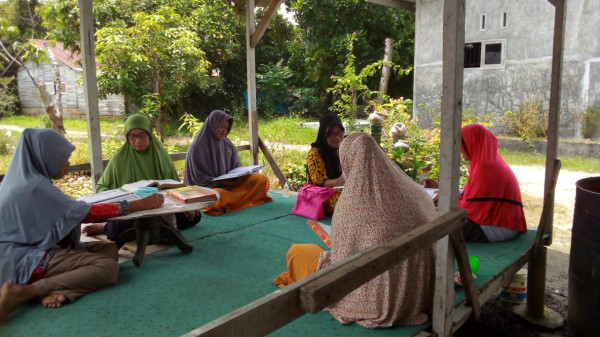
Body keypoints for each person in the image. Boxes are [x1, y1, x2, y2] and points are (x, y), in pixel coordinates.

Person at [274, 133, 437, 328]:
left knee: (298, 252)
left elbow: (342, 263)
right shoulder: (416, 191)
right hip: (422, 290)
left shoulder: (353, 204)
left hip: (376, 298)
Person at [0, 129, 164, 319]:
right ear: (47, 157)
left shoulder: (21, 181)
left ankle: (61, 289)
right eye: (63, 158)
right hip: (22, 259)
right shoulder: (34, 188)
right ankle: (26, 291)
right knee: (108, 268)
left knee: (110, 249)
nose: (68, 164)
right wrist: (139, 204)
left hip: (34, 248)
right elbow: (87, 213)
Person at [82, 114, 200, 240]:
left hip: (161, 207)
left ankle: (149, 229)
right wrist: (120, 197)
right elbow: (101, 186)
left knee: (195, 216)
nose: (138, 141)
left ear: (149, 134)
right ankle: (104, 227)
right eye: (133, 136)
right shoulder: (119, 158)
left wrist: (186, 207)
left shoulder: (161, 156)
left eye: (142, 135)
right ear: (127, 137)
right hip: (133, 209)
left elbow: (176, 185)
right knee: (125, 225)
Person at [423, 124, 527, 242]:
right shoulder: (488, 161)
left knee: (435, 224)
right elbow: (474, 195)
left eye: (462, 143)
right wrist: (441, 189)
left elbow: (472, 209)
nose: (460, 148)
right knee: (436, 217)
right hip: (503, 223)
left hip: (497, 227)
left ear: (471, 142)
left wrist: (441, 200)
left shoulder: (486, 168)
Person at [184, 110, 272, 215]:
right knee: (218, 195)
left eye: (226, 128)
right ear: (213, 125)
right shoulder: (197, 148)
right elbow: (197, 179)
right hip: (209, 188)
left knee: (261, 179)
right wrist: (220, 182)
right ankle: (239, 199)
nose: (224, 131)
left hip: (230, 185)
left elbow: (236, 167)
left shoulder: (228, 145)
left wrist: (239, 176)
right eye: (221, 127)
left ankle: (234, 200)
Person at [305, 114, 345, 216]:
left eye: (340, 133)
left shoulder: (344, 148)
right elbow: (318, 182)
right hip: (321, 195)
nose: (337, 138)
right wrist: (339, 181)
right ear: (324, 134)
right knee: (348, 203)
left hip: (340, 190)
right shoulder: (315, 153)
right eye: (332, 134)